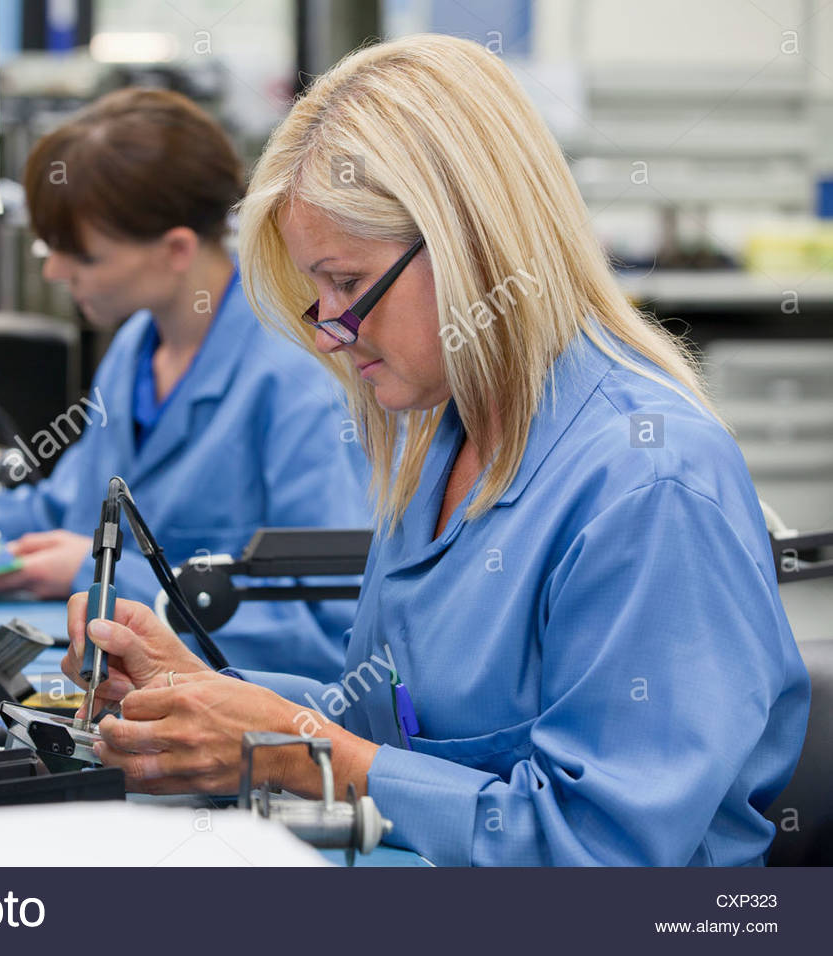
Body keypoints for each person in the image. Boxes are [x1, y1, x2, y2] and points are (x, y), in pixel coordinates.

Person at [59, 36, 810, 866]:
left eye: (348, 284)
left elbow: (604, 852)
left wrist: (291, 751)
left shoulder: (647, 482)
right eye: (318, 295)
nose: (334, 332)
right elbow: (398, 735)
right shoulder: (443, 441)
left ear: (471, 245)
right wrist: (201, 693)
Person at [0, 88, 368, 681]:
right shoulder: (135, 349)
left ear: (176, 249)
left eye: (83, 256)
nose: (53, 272)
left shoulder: (299, 380)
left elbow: (327, 629)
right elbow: (61, 509)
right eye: (51, 248)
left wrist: (106, 584)